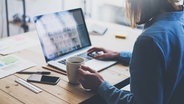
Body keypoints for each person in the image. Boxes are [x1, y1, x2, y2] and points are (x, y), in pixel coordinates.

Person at [78, 0, 184, 104]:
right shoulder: (179, 21)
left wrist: (100, 85)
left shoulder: (149, 40)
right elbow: (166, 59)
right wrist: (118, 55)